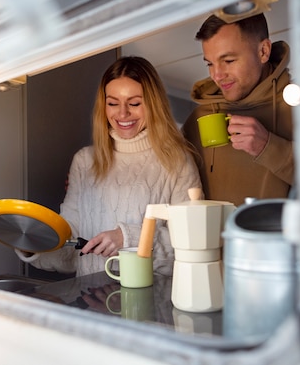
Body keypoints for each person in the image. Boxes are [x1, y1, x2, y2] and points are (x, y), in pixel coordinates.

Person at [16, 56, 203, 276]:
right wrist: (33, 244)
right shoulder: (84, 161)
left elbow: (193, 243)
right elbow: (73, 247)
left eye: (134, 103)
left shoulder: (178, 161)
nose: (122, 113)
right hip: (89, 299)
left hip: (148, 304)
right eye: (113, 103)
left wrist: (128, 238)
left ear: (154, 104)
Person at [182, 13, 294, 206]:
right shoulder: (199, 118)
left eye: (228, 61)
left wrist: (268, 147)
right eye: (210, 63)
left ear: (263, 51)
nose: (217, 75)